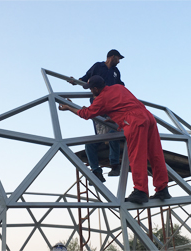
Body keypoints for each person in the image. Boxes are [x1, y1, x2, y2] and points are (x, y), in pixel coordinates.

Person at [59, 75, 171, 204]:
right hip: (148, 118)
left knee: (137, 156)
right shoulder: (118, 87)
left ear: (95, 88)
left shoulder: (101, 99)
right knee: (156, 154)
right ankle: (163, 189)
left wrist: (69, 107)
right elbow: (126, 104)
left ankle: (140, 191)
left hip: (135, 121)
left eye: (91, 89)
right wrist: (116, 117)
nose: (90, 91)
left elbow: (86, 114)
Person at [69, 49, 125, 183]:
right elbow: (86, 77)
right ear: (112, 57)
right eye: (118, 58)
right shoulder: (98, 66)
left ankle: (115, 164)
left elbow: (121, 86)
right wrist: (76, 81)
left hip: (112, 106)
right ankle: (97, 172)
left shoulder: (116, 72)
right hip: (99, 105)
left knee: (113, 131)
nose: (119, 61)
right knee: (98, 135)